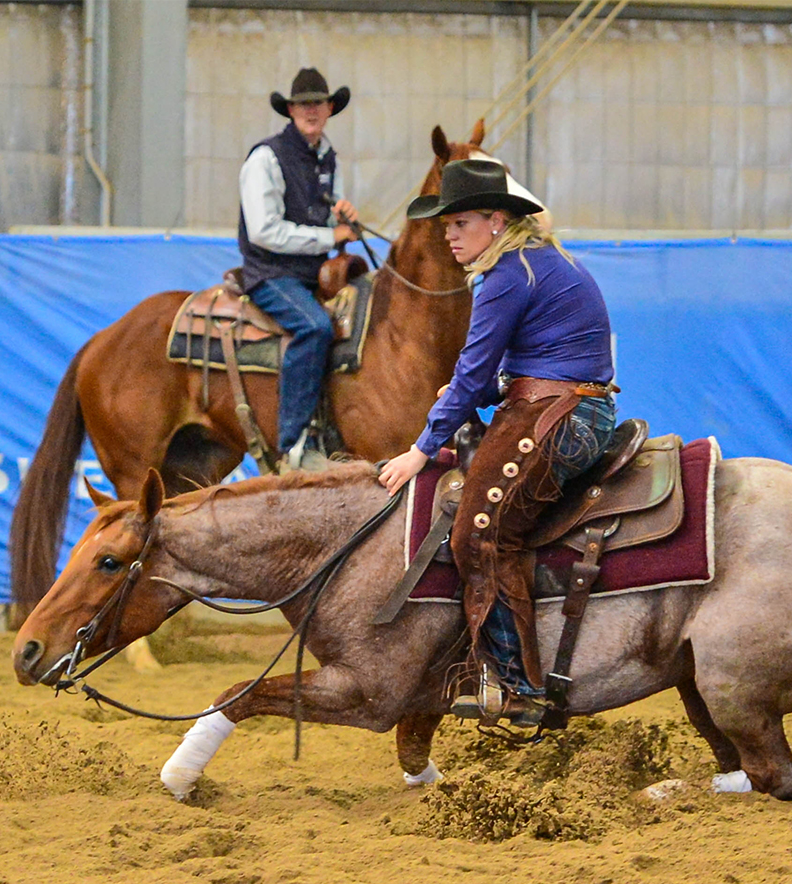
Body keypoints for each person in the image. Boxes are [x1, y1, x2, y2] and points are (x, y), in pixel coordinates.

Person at [378, 159, 617, 725]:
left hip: (559, 415)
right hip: (568, 406)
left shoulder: (508, 274)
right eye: (446, 225)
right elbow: (497, 372)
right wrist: (471, 393)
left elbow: (473, 371)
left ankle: (517, 685)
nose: (449, 235)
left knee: (478, 534)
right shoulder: (536, 262)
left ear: (496, 220)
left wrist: (420, 449)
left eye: (460, 222)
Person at [238, 68, 360, 473]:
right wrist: (329, 236)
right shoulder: (266, 158)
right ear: (290, 110)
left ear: (330, 108)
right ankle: (292, 445)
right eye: (303, 104)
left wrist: (341, 217)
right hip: (271, 273)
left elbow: (326, 217)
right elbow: (263, 231)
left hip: (314, 275)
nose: (311, 110)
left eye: (318, 103)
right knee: (314, 327)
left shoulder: (328, 158)